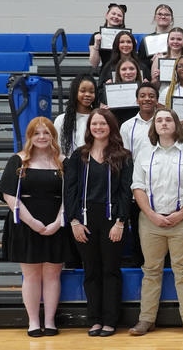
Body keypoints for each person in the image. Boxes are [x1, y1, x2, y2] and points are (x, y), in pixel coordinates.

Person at [129, 109, 183, 336]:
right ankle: (146, 320)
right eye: (159, 120)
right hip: (150, 221)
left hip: (182, 220)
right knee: (151, 271)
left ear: (176, 125)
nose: (164, 123)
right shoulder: (144, 154)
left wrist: (181, 214)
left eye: (168, 119)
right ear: (154, 126)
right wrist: (152, 215)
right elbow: (138, 187)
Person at [0, 117, 69, 337]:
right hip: (25, 223)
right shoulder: (18, 160)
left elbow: (70, 195)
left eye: (46, 133)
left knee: (52, 274)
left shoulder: (63, 161)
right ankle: (33, 322)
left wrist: (58, 222)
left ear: (53, 136)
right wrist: (33, 223)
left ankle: (50, 322)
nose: (42, 137)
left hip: (56, 223)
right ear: (30, 136)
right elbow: (9, 195)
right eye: (37, 133)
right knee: (31, 275)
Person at [65, 108, 133, 337]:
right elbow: (70, 190)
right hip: (84, 220)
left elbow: (126, 192)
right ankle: (94, 320)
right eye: (94, 124)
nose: (98, 128)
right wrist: (73, 220)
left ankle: (110, 320)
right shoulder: (79, 155)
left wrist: (121, 222)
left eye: (103, 124)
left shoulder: (123, 155)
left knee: (110, 270)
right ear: (89, 128)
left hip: (112, 221)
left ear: (111, 126)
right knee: (91, 271)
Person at [119, 82, 160, 266]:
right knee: (138, 227)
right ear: (137, 100)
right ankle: (139, 264)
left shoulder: (164, 122)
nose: (147, 99)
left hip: (162, 183)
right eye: (142, 95)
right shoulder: (127, 126)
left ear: (157, 100)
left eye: (151, 95)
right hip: (138, 184)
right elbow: (125, 157)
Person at [55, 73, 99, 156]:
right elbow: (57, 148)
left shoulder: (98, 119)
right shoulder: (61, 120)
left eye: (92, 92)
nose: (87, 94)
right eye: (82, 91)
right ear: (75, 92)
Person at [89, 3, 127, 68]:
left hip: (123, 71)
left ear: (122, 20)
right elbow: (94, 64)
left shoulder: (126, 37)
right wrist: (96, 45)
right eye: (113, 14)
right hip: (105, 72)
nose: (116, 17)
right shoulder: (97, 36)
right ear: (106, 16)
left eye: (119, 15)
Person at [137, 4, 175, 69]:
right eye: (160, 14)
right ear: (155, 17)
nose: (163, 17)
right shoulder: (147, 40)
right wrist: (151, 61)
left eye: (167, 15)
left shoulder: (178, 38)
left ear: (171, 18)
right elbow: (140, 63)